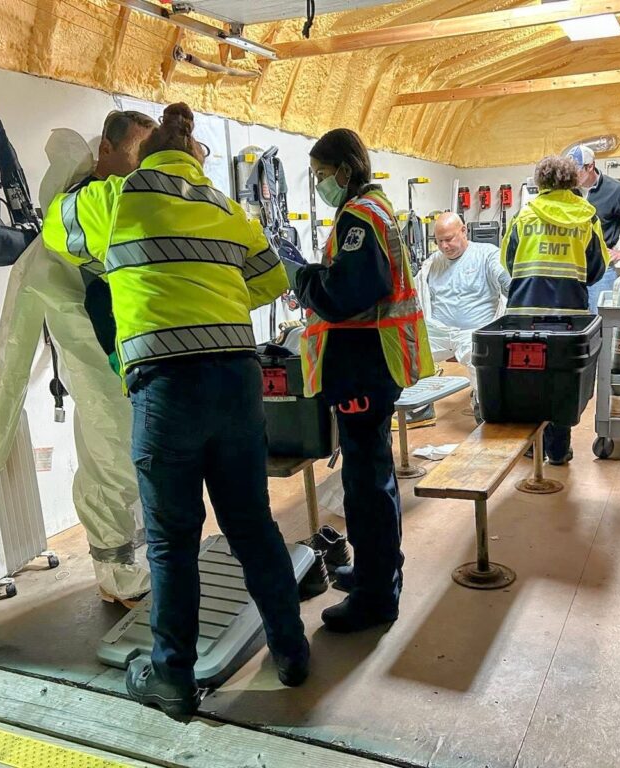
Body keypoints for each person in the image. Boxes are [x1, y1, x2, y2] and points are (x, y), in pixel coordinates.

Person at [43, 103, 309, 719]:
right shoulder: (228, 209)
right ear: (194, 158)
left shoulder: (116, 199)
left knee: (172, 544)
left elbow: (55, 226)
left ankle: (174, 681)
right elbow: (271, 281)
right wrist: (210, 284)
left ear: (143, 155)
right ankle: (292, 653)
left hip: (166, 390)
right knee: (253, 526)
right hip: (237, 382)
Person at [0, 111, 156, 607]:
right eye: (138, 151)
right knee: (115, 464)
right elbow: (16, 338)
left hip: (128, 365)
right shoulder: (65, 229)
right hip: (99, 370)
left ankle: (134, 566)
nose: (144, 164)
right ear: (106, 151)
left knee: (130, 464)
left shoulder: (119, 208)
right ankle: (117, 576)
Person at [290, 128, 433, 633]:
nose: (319, 184)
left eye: (321, 175)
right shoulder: (376, 209)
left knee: (366, 485)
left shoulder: (359, 216)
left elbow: (344, 294)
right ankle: (378, 570)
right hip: (371, 365)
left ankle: (376, 597)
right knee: (372, 477)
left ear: (345, 170)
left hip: (362, 369)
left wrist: (300, 276)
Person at [501, 155, 609, 465]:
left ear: (540, 182)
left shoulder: (523, 216)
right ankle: (559, 451)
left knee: (526, 376)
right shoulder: (587, 217)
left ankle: (532, 446)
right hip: (568, 314)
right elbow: (597, 268)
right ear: (573, 180)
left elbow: (508, 261)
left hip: (524, 312)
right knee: (562, 379)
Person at [412, 212, 510, 424]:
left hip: (474, 332)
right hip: (438, 331)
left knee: (480, 363)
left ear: (464, 231)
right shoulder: (433, 263)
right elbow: (414, 291)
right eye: (439, 241)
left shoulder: (487, 254)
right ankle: (419, 409)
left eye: (449, 239)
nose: (444, 246)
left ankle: (483, 409)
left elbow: (506, 281)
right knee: (411, 355)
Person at [567, 145, 620, 313]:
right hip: (571, 267)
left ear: (590, 166)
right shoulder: (567, 191)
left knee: (601, 319)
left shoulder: (615, 191)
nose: (572, 177)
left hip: (601, 269)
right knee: (573, 321)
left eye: (576, 171)